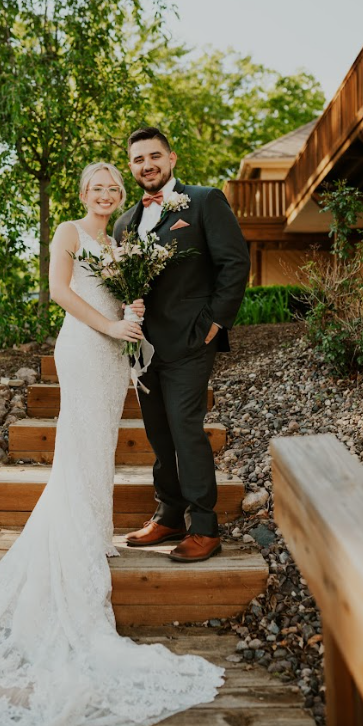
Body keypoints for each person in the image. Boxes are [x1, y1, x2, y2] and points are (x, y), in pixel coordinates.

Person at [0, 161, 225, 726]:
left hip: (114, 352)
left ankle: (90, 535)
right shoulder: (69, 231)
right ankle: (75, 544)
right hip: (85, 348)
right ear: (84, 192)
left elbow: (119, 299)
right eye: (98, 187)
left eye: (114, 187)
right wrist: (110, 328)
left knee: (97, 451)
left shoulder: (121, 240)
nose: (108, 193)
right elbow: (61, 292)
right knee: (81, 444)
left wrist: (129, 315)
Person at [114, 128, 250, 563]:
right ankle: (169, 513)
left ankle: (205, 526)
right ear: (131, 166)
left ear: (171, 158)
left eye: (154, 156)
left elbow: (234, 261)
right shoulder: (124, 223)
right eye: (138, 159)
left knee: (185, 428)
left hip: (191, 340)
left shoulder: (204, 200)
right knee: (157, 431)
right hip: (143, 346)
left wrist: (215, 323)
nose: (147, 165)